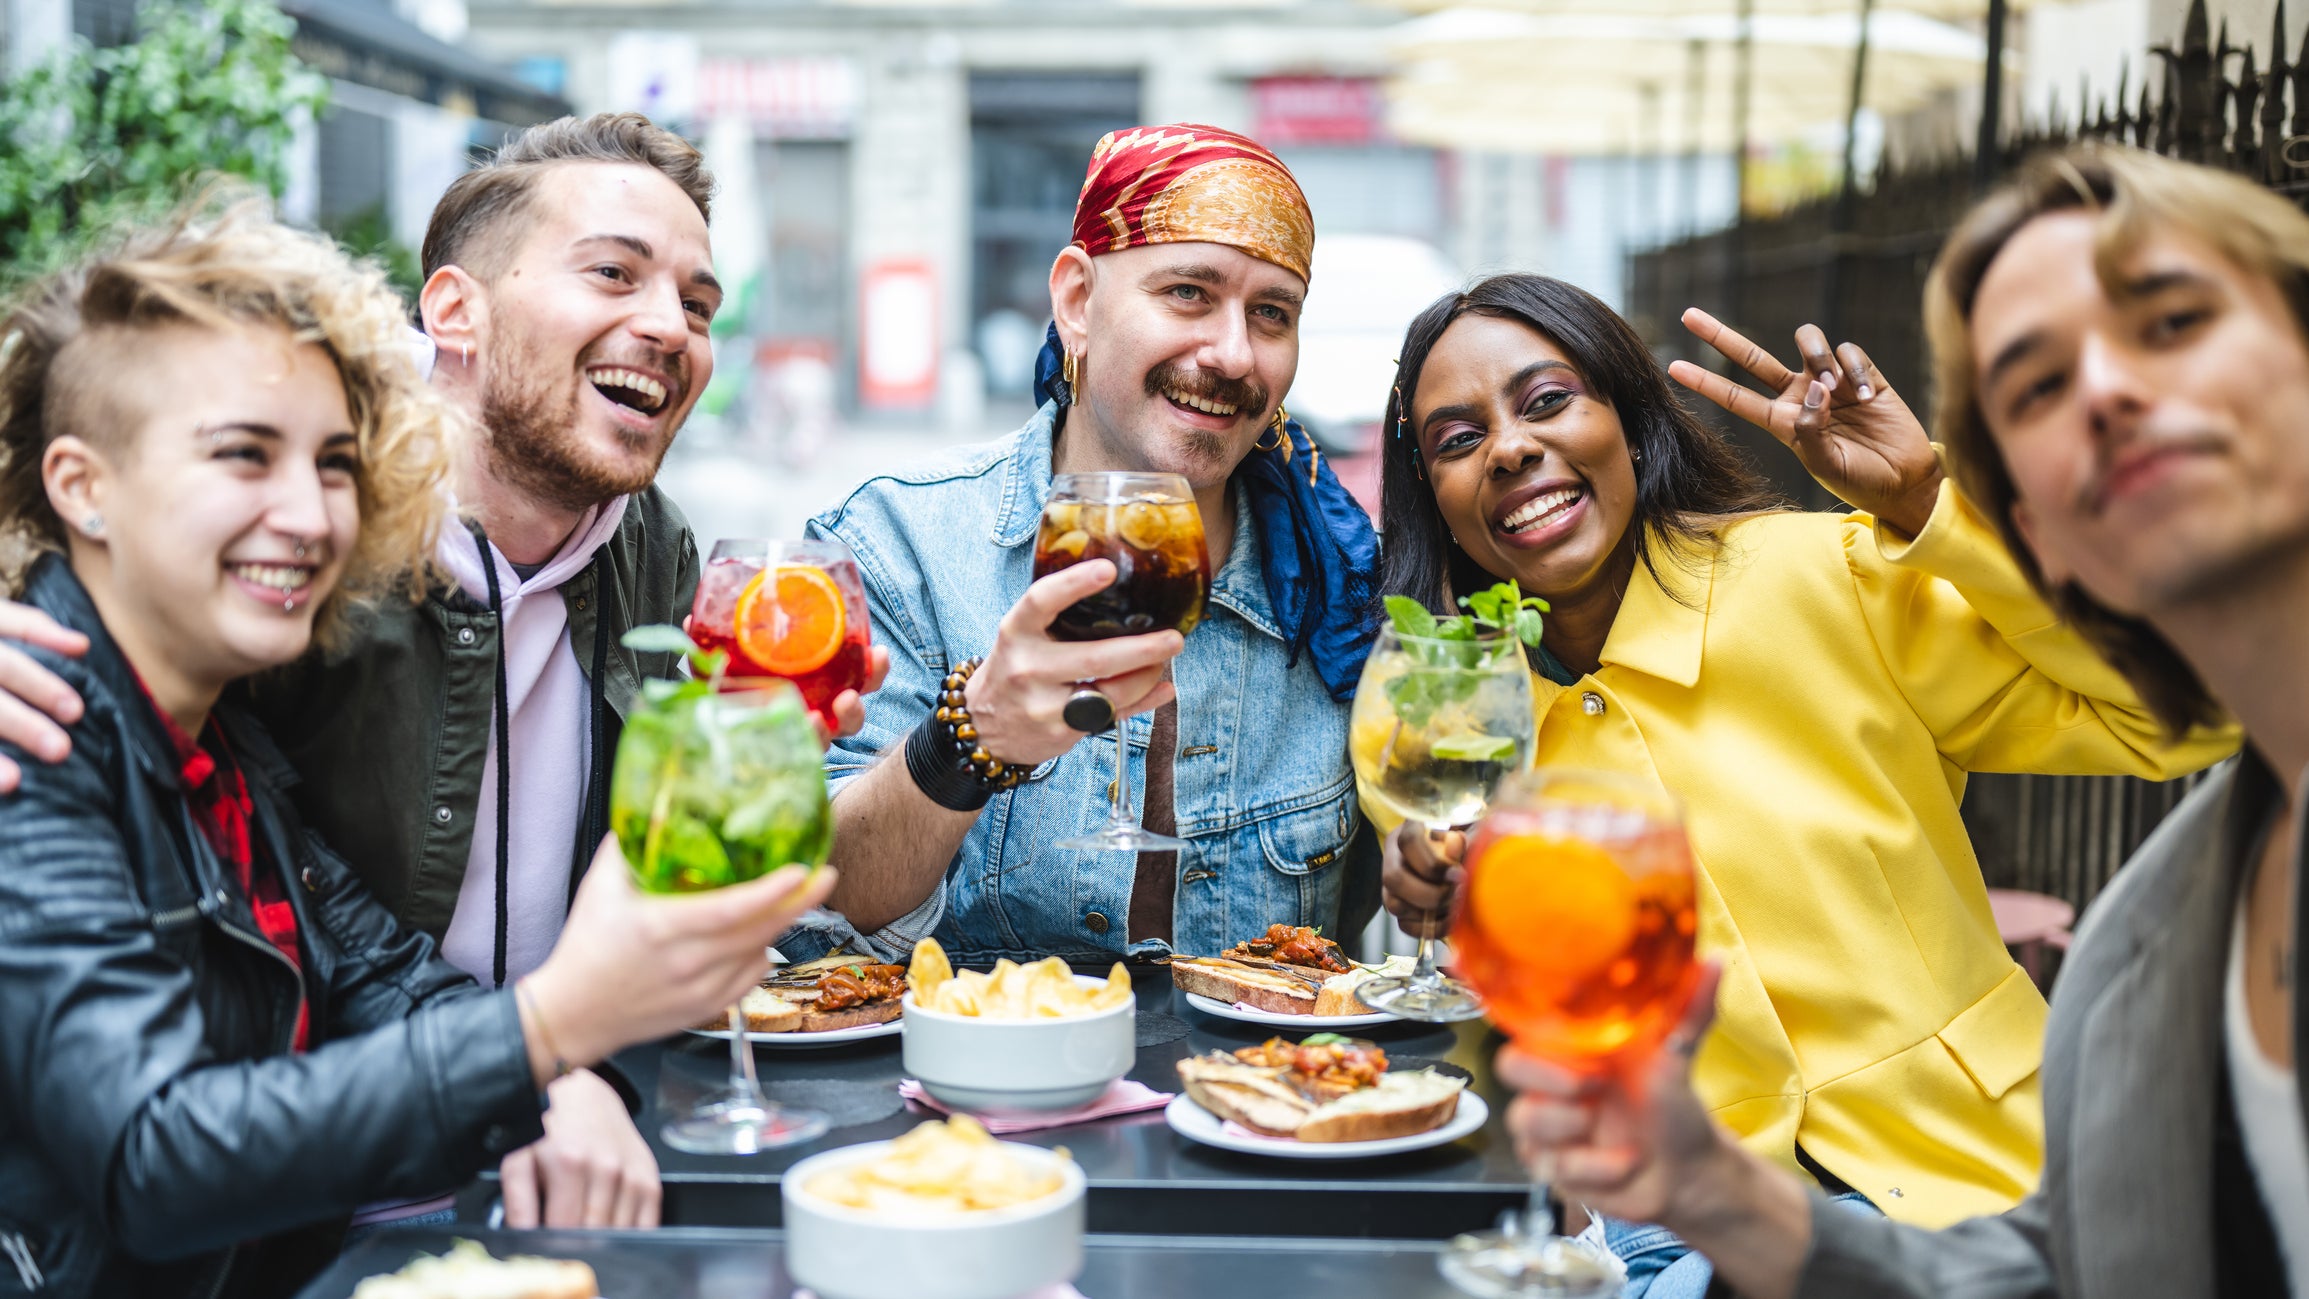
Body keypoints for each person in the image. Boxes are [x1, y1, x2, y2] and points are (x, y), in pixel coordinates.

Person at [0, 112, 885, 1230]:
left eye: (333, 467)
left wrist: (561, 1060)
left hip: (473, 1170)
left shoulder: (650, 553)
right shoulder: (45, 724)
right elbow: (155, 1155)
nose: (310, 517)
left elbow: (353, 948)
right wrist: (544, 1036)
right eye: (243, 456)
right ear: (452, 316)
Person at [1500, 142, 2309, 1299]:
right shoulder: (2158, 945)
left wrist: (1928, 507)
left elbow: (2167, 718)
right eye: (2032, 387)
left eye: (2171, 321)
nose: (2107, 397)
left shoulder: (1823, 574)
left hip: (1958, 1160)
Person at [792, 123, 1381, 964]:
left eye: (1271, 313)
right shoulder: (897, 546)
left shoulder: (1344, 594)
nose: (1230, 352)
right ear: (1076, 301)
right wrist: (974, 738)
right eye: (1187, 292)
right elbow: (818, 906)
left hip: (1262, 1091)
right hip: (973, 1093)